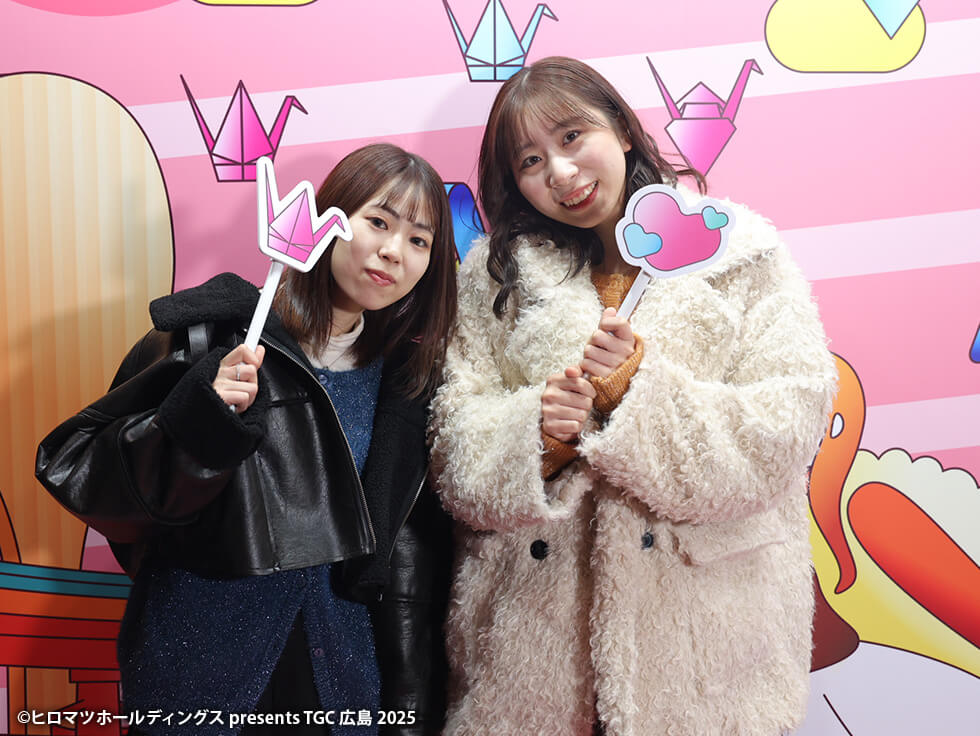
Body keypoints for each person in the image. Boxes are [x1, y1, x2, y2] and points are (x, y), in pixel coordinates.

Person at [428, 57, 837, 736]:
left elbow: (784, 427)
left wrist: (636, 394)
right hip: (531, 652)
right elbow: (452, 445)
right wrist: (536, 436)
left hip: (707, 649)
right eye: (530, 161)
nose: (561, 173)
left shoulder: (741, 252)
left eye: (571, 136)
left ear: (620, 128)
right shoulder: (493, 277)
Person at [35, 143, 457, 736]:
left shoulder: (404, 388)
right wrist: (198, 418)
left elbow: (399, 556)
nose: (394, 251)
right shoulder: (212, 337)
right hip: (198, 663)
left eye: (419, 240)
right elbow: (92, 477)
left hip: (336, 675)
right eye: (379, 222)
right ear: (329, 220)